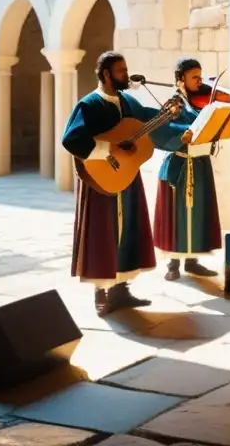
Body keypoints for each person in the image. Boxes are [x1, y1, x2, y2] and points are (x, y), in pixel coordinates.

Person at [62, 51, 161, 317]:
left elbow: (145, 118)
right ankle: (101, 291)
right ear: (106, 74)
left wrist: (172, 113)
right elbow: (71, 140)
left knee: (129, 228)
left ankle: (121, 289)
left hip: (127, 175)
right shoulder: (89, 105)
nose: (126, 75)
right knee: (102, 231)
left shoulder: (126, 101)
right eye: (120, 71)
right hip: (100, 178)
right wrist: (109, 147)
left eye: (126, 70)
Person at [150, 58, 224, 281]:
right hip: (179, 165)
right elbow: (160, 129)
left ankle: (192, 262)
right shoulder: (174, 104)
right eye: (195, 77)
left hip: (200, 164)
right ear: (180, 79)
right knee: (177, 215)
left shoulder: (200, 103)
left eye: (201, 77)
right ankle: (173, 264)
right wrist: (185, 131)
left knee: (198, 214)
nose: (200, 81)